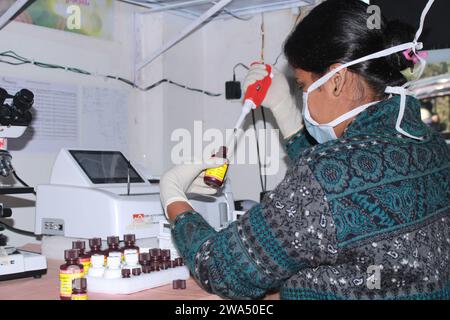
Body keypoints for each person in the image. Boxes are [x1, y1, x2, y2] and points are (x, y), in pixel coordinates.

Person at [160, 0, 449, 300]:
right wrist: (285, 110)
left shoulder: (327, 175)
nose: (302, 97)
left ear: (336, 80)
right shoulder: (431, 146)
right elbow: (340, 197)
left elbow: (220, 269)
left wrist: (174, 197)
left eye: (302, 85)